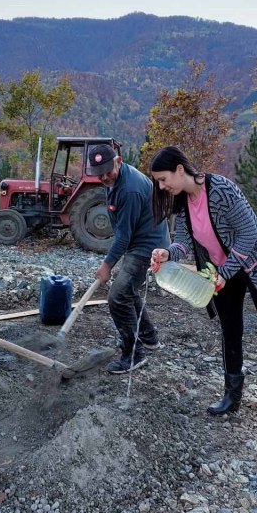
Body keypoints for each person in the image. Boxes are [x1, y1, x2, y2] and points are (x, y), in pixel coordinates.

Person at [149, 146, 257, 424]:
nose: (162, 186)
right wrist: (168, 253)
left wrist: (226, 271)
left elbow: (249, 234)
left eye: (163, 179)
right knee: (230, 329)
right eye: (158, 182)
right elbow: (184, 242)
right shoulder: (183, 201)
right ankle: (232, 396)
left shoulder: (221, 190)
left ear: (180, 169)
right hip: (223, 270)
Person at [87, 143, 170, 374]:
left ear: (118, 161)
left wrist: (107, 265)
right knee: (127, 291)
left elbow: (123, 236)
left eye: (108, 171)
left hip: (148, 246)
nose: (104, 177)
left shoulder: (130, 189)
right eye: (99, 174)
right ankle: (149, 337)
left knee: (118, 296)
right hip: (138, 241)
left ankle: (133, 354)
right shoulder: (114, 181)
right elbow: (123, 231)